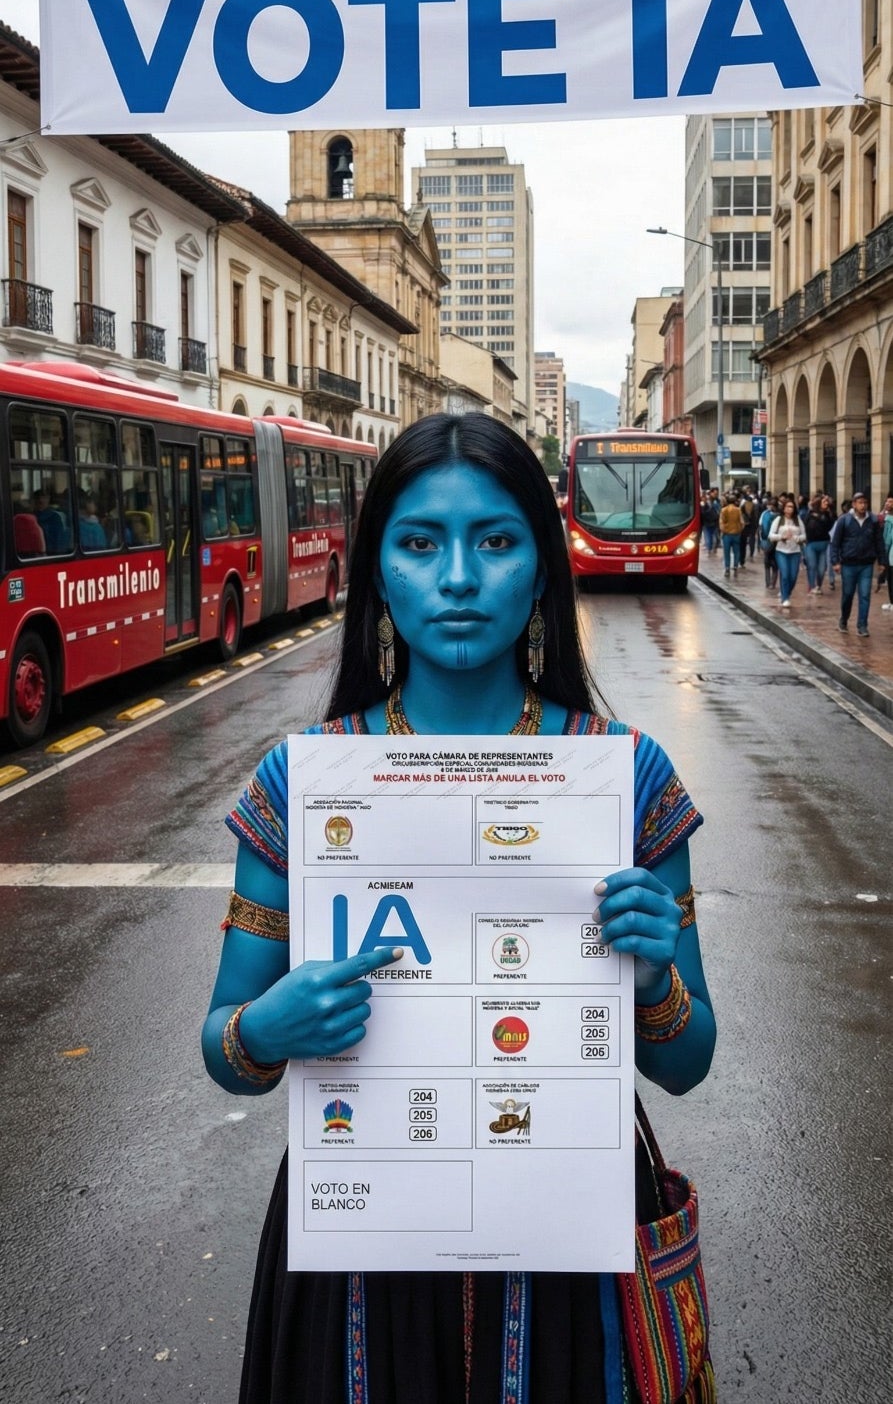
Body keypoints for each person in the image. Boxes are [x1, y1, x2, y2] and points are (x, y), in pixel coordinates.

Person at [202, 414, 716, 1404]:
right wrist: (268, 1028)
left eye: (493, 539)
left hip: (568, 1242)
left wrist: (651, 980)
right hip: (360, 1252)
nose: (456, 576)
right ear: (378, 573)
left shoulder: (627, 776)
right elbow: (222, 1043)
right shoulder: (300, 783)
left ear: (539, 565)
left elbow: (687, 1063)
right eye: (418, 541)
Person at [830, 493, 885, 636]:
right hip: (848, 564)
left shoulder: (872, 520)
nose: (863, 505)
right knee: (848, 594)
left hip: (866, 564)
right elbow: (835, 543)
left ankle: (862, 625)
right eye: (860, 502)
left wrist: (882, 561)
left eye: (865, 502)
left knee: (865, 595)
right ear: (854, 504)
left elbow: (879, 542)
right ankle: (844, 619)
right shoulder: (844, 520)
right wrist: (835, 561)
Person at [768, 498, 806, 608]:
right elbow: (770, 535)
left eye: (792, 507)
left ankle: (786, 592)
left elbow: (804, 536)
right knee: (785, 574)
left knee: (793, 576)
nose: (790, 509)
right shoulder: (779, 520)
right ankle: (785, 597)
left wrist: (796, 538)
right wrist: (781, 537)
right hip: (781, 551)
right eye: (788, 507)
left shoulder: (798, 520)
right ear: (784, 509)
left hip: (795, 551)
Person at [803, 495, 833, 594]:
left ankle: (818, 585)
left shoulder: (828, 515)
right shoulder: (810, 514)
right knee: (812, 566)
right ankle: (812, 586)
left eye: (827, 502)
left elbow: (830, 526)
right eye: (824, 502)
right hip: (811, 544)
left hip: (824, 544)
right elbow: (805, 528)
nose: (826, 503)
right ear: (819, 503)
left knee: (822, 568)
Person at [718, 490, 743, 578]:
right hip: (736, 533)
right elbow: (742, 522)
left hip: (727, 534)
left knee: (727, 552)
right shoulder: (738, 510)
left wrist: (723, 531)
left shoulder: (724, 510)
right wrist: (739, 530)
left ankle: (727, 568)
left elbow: (721, 523)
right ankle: (735, 565)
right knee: (736, 551)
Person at [759, 495, 779, 591]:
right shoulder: (779, 515)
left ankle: (769, 583)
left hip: (769, 541)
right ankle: (771, 583)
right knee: (773, 563)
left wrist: (761, 539)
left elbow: (761, 527)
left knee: (768, 562)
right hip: (774, 541)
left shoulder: (765, 514)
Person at [699, 490, 719, 555]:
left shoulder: (715, 502)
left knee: (711, 537)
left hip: (710, 523)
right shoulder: (713, 503)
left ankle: (710, 549)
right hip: (709, 523)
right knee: (710, 537)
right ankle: (710, 549)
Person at [882, 499, 893, 613]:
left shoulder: (889, 520)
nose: (887, 504)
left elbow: (888, 539)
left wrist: (883, 555)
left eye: (890, 502)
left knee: (891, 580)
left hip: (891, 556)